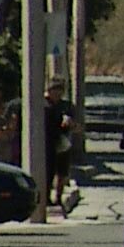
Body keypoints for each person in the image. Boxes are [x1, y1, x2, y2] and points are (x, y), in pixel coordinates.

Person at [45, 80, 78, 210]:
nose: (57, 93)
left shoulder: (66, 106)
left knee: (62, 172)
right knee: (47, 171)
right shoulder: (43, 103)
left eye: (60, 90)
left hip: (62, 142)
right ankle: (46, 197)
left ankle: (58, 197)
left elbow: (75, 124)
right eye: (54, 89)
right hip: (46, 142)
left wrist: (70, 123)